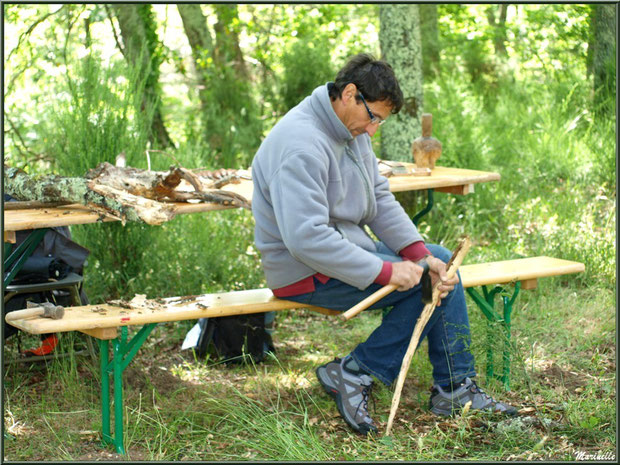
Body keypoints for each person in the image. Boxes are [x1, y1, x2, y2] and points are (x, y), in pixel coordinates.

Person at [250, 53, 516, 435]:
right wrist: (388, 270)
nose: (374, 130)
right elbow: (305, 239)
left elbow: (378, 198)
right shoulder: (301, 144)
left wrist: (418, 254)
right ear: (350, 94)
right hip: (305, 271)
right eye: (373, 117)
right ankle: (356, 372)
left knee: (439, 265)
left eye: (381, 122)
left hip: (344, 254)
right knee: (422, 286)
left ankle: (455, 388)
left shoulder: (350, 130)